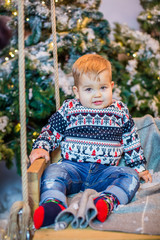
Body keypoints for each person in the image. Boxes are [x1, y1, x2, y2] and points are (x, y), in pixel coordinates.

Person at [29, 54, 152, 229]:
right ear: (76, 91)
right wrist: (42, 147)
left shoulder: (119, 111)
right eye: (89, 90)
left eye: (103, 87)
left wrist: (139, 167)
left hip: (105, 173)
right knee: (54, 170)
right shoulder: (70, 109)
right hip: (73, 169)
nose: (97, 95)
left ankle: (107, 201)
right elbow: (51, 130)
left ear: (111, 86)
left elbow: (131, 140)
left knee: (130, 176)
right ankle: (53, 203)